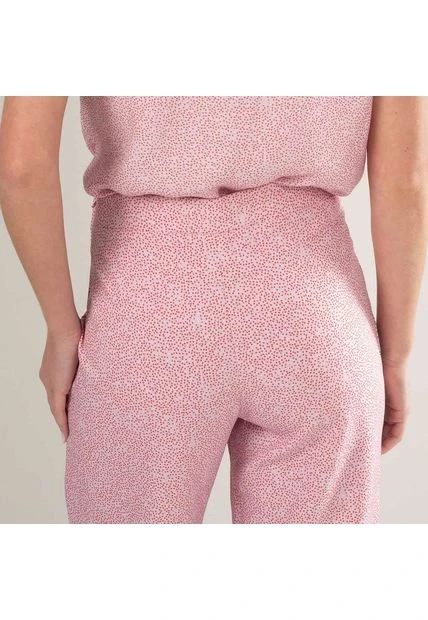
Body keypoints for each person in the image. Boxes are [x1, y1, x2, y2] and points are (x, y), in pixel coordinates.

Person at [0, 96, 426, 524]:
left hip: (149, 320)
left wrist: (61, 329)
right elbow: (406, 180)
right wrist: (394, 355)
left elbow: (21, 166)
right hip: (319, 322)